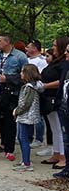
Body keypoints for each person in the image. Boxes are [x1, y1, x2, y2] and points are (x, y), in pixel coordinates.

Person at [0, 34, 28, 162]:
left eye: (0, 41)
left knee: (9, 122)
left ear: (7, 42)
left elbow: (25, 76)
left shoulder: (20, 57)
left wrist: (8, 79)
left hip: (10, 94)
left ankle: (9, 149)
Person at [39, 37, 69, 170]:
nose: (53, 47)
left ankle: (63, 156)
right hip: (48, 98)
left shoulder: (64, 63)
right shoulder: (55, 62)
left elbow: (61, 81)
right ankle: (56, 153)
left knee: (60, 128)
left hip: (56, 98)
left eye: (55, 45)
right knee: (54, 128)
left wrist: (46, 85)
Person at [12, 64, 43, 171]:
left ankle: (26, 163)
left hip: (26, 117)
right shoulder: (30, 86)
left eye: (22, 72)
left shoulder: (30, 88)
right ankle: (24, 160)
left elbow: (26, 103)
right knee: (21, 138)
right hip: (25, 116)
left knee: (23, 138)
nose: (20, 74)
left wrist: (17, 111)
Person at [26, 39, 47, 147]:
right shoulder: (27, 60)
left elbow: (41, 77)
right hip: (27, 89)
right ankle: (28, 136)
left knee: (38, 115)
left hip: (36, 90)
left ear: (34, 48)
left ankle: (39, 138)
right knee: (28, 113)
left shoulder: (41, 61)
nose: (26, 49)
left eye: (28, 47)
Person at [53, 41, 69, 178]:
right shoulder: (66, 67)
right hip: (63, 106)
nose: (65, 53)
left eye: (68, 51)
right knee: (66, 138)